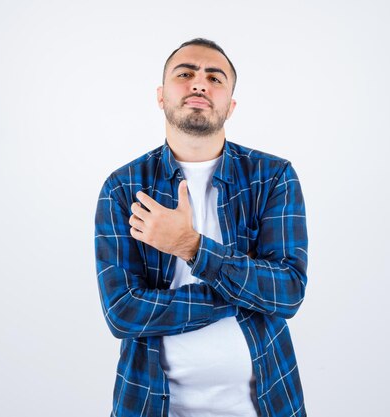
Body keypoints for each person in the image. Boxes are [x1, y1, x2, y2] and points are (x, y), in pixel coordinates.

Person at [94, 38, 308, 417]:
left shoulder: (273, 177)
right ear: (161, 96)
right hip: (150, 403)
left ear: (230, 105)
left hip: (267, 403)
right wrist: (240, 295)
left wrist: (192, 247)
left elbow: (288, 291)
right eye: (185, 73)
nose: (199, 83)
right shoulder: (124, 187)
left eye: (215, 77)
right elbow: (123, 312)